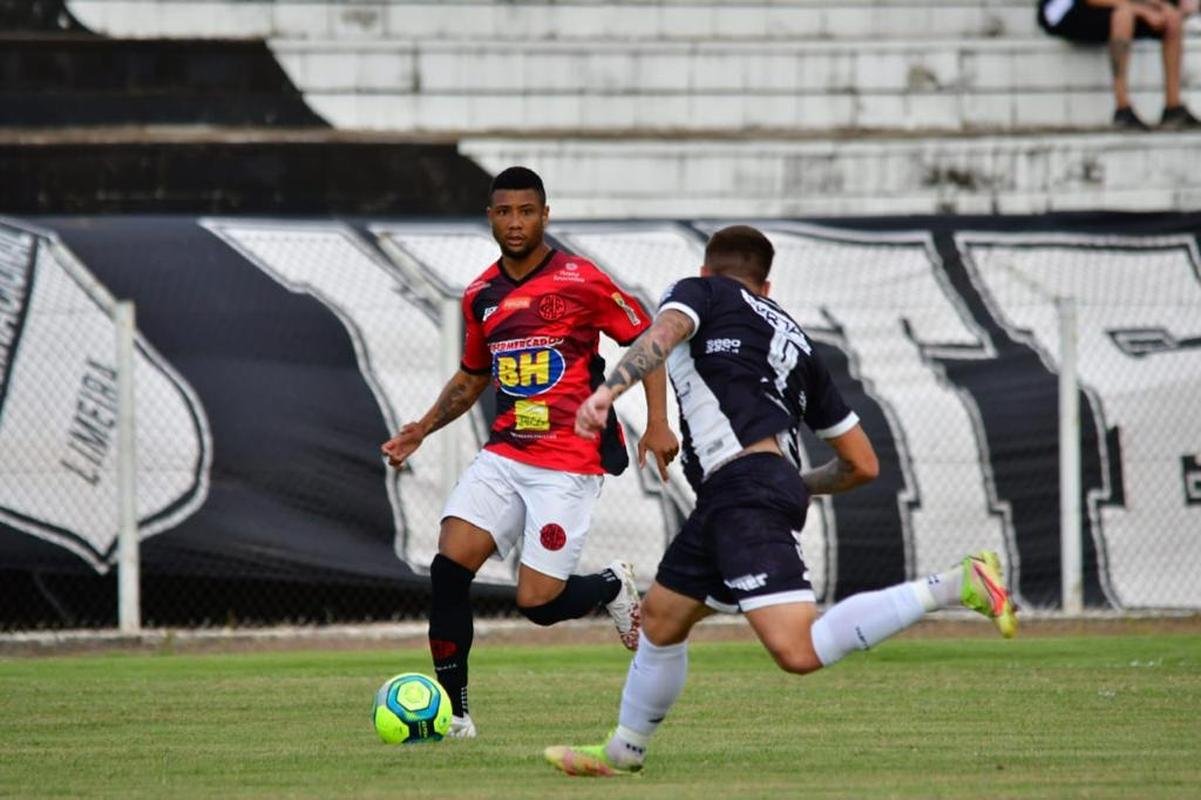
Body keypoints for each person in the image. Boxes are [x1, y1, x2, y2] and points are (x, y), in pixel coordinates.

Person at [544, 225, 1018, 776]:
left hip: (742, 491)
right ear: (766, 286)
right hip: (742, 491)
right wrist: (795, 484)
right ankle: (625, 749)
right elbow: (861, 464)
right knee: (661, 619)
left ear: (706, 272)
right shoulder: (795, 341)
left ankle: (956, 583)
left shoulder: (702, 292)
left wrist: (609, 391)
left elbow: (665, 332)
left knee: (797, 650)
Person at [380, 166, 679, 739]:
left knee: (538, 604)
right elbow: (473, 377)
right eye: (504, 212)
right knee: (448, 569)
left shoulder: (581, 278)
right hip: (505, 455)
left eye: (525, 211)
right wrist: (422, 427)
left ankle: (611, 585)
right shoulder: (480, 295)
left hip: (568, 463)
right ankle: (455, 715)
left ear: (545, 215)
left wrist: (659, 422)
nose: (515, 222)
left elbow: (648, 341)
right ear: (490, 218)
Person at [1038, 0, 1201, 130]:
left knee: (1172, 17)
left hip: (1115, 6)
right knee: (1123, 15)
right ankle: (1123, 108)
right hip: (1066, 11)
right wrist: (1140, 9)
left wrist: (1157, 4)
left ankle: (1173, 107)